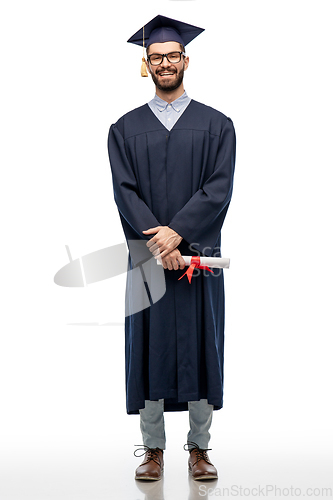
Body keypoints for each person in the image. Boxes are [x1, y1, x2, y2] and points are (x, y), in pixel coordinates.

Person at [107, 15, 236, 481]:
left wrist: (178, 233)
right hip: (148, 262)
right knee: (149, 348)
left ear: (186, 60)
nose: (165, 63)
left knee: (203, 347)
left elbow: (218, 190)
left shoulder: (218, 126)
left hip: (197, 259)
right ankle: (153, 450)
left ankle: (199, 449)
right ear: (146, 63)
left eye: (172, 56)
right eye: (156, 57)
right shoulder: (123, 129)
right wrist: (157, 242)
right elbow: (125, 193)